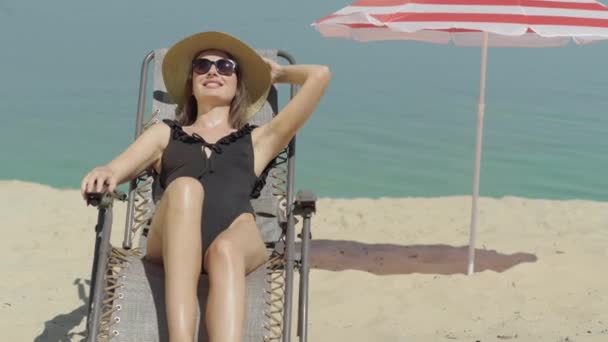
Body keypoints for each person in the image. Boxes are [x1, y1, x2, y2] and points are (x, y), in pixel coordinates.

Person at [80, 31, 331, 342]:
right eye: (202, 66)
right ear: (191, 83)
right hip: (171, 239)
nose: (213, 71)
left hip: (236, 236)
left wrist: (279, 74)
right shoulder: (165, 134)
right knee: (186, 187)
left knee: (225, 249)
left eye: (226, 67)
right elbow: (117, 168)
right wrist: (105, 170)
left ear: (239, 83)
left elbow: (319, 75)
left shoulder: (259, 140)